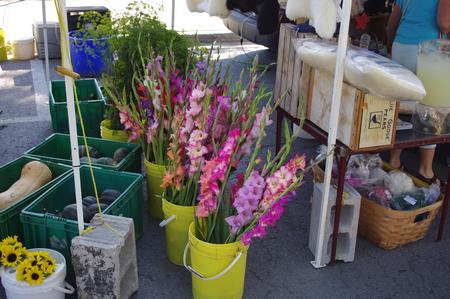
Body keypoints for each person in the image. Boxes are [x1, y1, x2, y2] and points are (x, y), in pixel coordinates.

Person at [386, 0, 450, 184]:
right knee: (431, 109)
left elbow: (391, 25)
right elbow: (444, 23)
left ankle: (394, 161)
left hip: (401, 45)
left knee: (401, 106)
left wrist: (392, 47)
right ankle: (425, 170)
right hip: (429, 49)